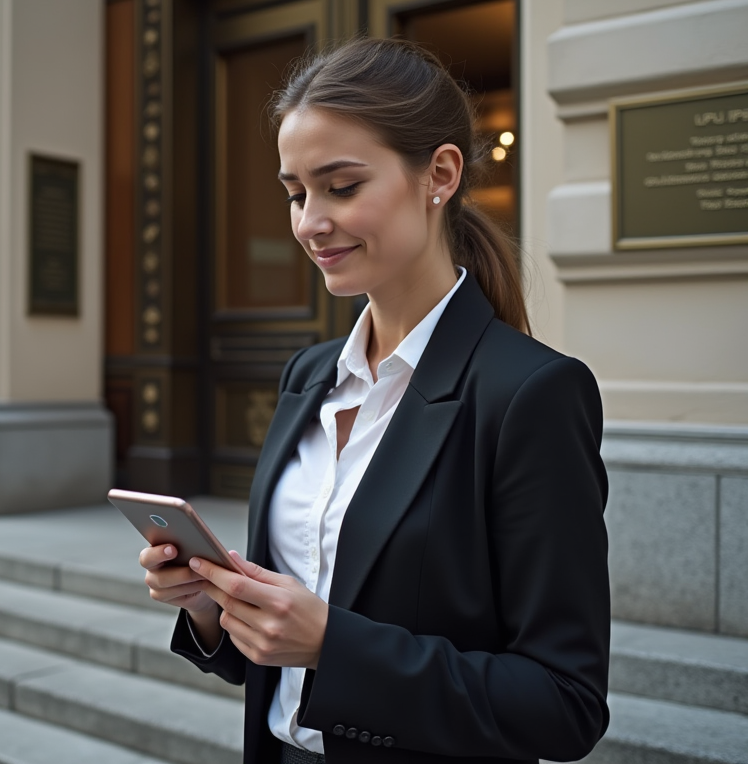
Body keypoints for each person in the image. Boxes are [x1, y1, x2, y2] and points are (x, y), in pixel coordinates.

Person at [139, 38, 610, 764]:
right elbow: (276, 659)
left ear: (440, 175)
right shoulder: (307, 375)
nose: (309, 223)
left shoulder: (532, 394)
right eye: (296, 193)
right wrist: (210, 606)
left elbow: (564, 705)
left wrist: (334, 644)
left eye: (341, 186)